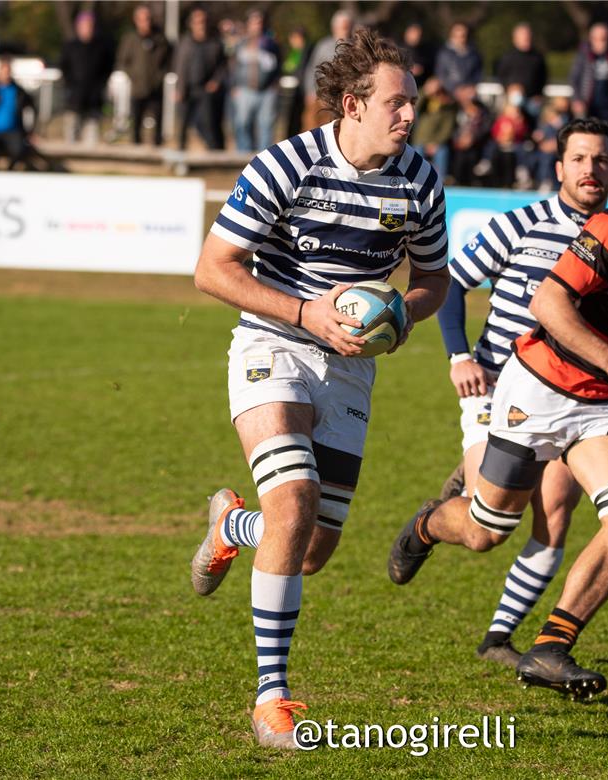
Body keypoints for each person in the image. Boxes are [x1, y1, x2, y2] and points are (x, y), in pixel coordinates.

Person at [388, 141, 608, 699]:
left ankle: (551, 647)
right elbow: (548, 304)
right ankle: (429, 524)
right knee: (486, 532)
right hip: (538, 384)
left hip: (605, 403)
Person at [188, 27, 449, 749]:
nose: (408, 116)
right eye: (396, 103)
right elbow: (213, 270)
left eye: (413, 104)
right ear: (351, 103)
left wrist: (399, 317)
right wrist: (307, 312)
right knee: (295, 499)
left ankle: (230, 527)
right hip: (273, 343)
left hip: (351, 367)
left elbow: (433, 281)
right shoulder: (287, 164)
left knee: (309, 549)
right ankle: (272, 698)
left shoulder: (419, 180)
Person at [430, 117, 608, 667]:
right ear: (560, 167)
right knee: (487, 530)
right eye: (580, 159)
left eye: (602, 160)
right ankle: (430, 521)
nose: (591, 169)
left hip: (570, 399)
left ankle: (498, 639)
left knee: (556, 514)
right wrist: (459, 355)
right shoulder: (519, 225)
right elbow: (451, 284)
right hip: (496, 387)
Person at [117, 4, 174, 147]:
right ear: (136, 20)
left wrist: (160, 77)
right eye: (142, 19)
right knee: (136, 122)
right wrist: (133, 77)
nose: (145, 23)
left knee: (158, 122)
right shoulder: (130, 39)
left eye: (148, 19)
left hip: (155, 88)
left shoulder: (160, 39)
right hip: (137, 88)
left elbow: (169, 61)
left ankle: (157, 149)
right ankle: (136, 150)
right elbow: (123, 62)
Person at [174, 7, 227, 150]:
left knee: (207, 124)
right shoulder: (185, 43)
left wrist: (216, 81)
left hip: (205, 90)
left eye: (203, 21)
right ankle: (180, 153)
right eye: (197, 22)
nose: (200, 25)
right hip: (187, 89)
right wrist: (179, 88)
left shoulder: (215, 43)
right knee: (183, 124)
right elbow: (179, 66)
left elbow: (223, 66)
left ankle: (215, 153)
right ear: (191, 24)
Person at [58, 11, 114, 145]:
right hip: (74, 100)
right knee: (71, 135)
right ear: (78, 27)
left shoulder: (101, 48)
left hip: (93, 101)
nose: (87, 29)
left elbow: (107, 70)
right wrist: (70, 87)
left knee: (92, 136)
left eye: (90, 26)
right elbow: (64, 69)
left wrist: (99, 87)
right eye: (84, 26)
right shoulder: (70, 47)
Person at [229, 10, 282, 151]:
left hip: (267, 91)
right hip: (244, 90)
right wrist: (233, 86)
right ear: (248, 24)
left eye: (260, 22)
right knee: (242, 124)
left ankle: (264, 159)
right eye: (254, 22)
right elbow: (233, 66)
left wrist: (275, 84)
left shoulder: (271, 44)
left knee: (266, 125)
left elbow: (279, 65)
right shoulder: (240, 44)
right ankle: (243, 157)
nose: (257, 26)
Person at [301, 10, 354, 130]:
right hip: (320, 96)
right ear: (335, 27)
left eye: (347, 26)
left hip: (343, 98)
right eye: (343, 26)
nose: (345, 29)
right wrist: (309, 91)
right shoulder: (323, 46)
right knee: (312, 128)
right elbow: (312, 69)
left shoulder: (354, 46)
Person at [496, 23, 548, 122]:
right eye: (523, 36)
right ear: (515, 38)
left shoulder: (538, 57)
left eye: (528, 36)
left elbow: (543, 78)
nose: (526, 38)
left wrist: (539, 95)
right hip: (514, 99)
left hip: (533, 99)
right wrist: (509, 88)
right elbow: (501, 76)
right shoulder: (507, 57)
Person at [568, 22, 608, 121]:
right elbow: (573, 78)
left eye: (606, 38)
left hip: (607, 104)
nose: (604, 42)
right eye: (601, 38)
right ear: (592, 38)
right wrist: (577, 99)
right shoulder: (583, 55)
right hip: (587, 102)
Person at [435, 23, 484, 95]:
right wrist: (455, 90)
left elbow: (478, 76)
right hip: (447, 93)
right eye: (457, 36)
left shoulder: (474, 55)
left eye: (463, 36)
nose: (460, 39)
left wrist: (470, 88)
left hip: (468, 93)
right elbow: (441, 75)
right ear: (451, 36)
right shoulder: (444, 54)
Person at [398, 22, 435, 87]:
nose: (417, 37)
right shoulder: (398, 51)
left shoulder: (425, 51)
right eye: (414, 33)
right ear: (407, 33)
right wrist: (409, 69)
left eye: (419, 34)